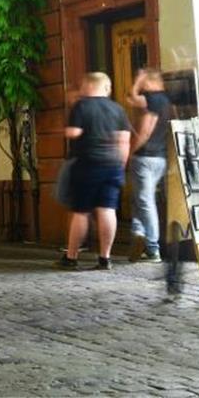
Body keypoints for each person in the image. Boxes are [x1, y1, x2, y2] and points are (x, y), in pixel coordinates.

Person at [56, 73, 130, 271]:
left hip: (87, 164)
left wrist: (69, 127)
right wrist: (121, 165)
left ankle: (71, 257)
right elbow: (124, 140)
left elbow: (73, 133)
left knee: (81, 212)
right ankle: (105, 258)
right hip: (113, 165)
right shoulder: (118, 109)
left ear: (87, 86)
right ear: (107, 88)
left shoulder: (82, 106)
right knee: (107, 209)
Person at [126, 68, 171, 263]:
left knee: (144, 201)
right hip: (160, 157)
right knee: (140, 198)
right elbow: (131, 99)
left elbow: (144, 131)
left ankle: (152, 247)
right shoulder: (166, 101)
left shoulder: (153, 99)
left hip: (145, 157)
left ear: (149, 82)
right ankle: (138, 232)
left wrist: (129, 152)